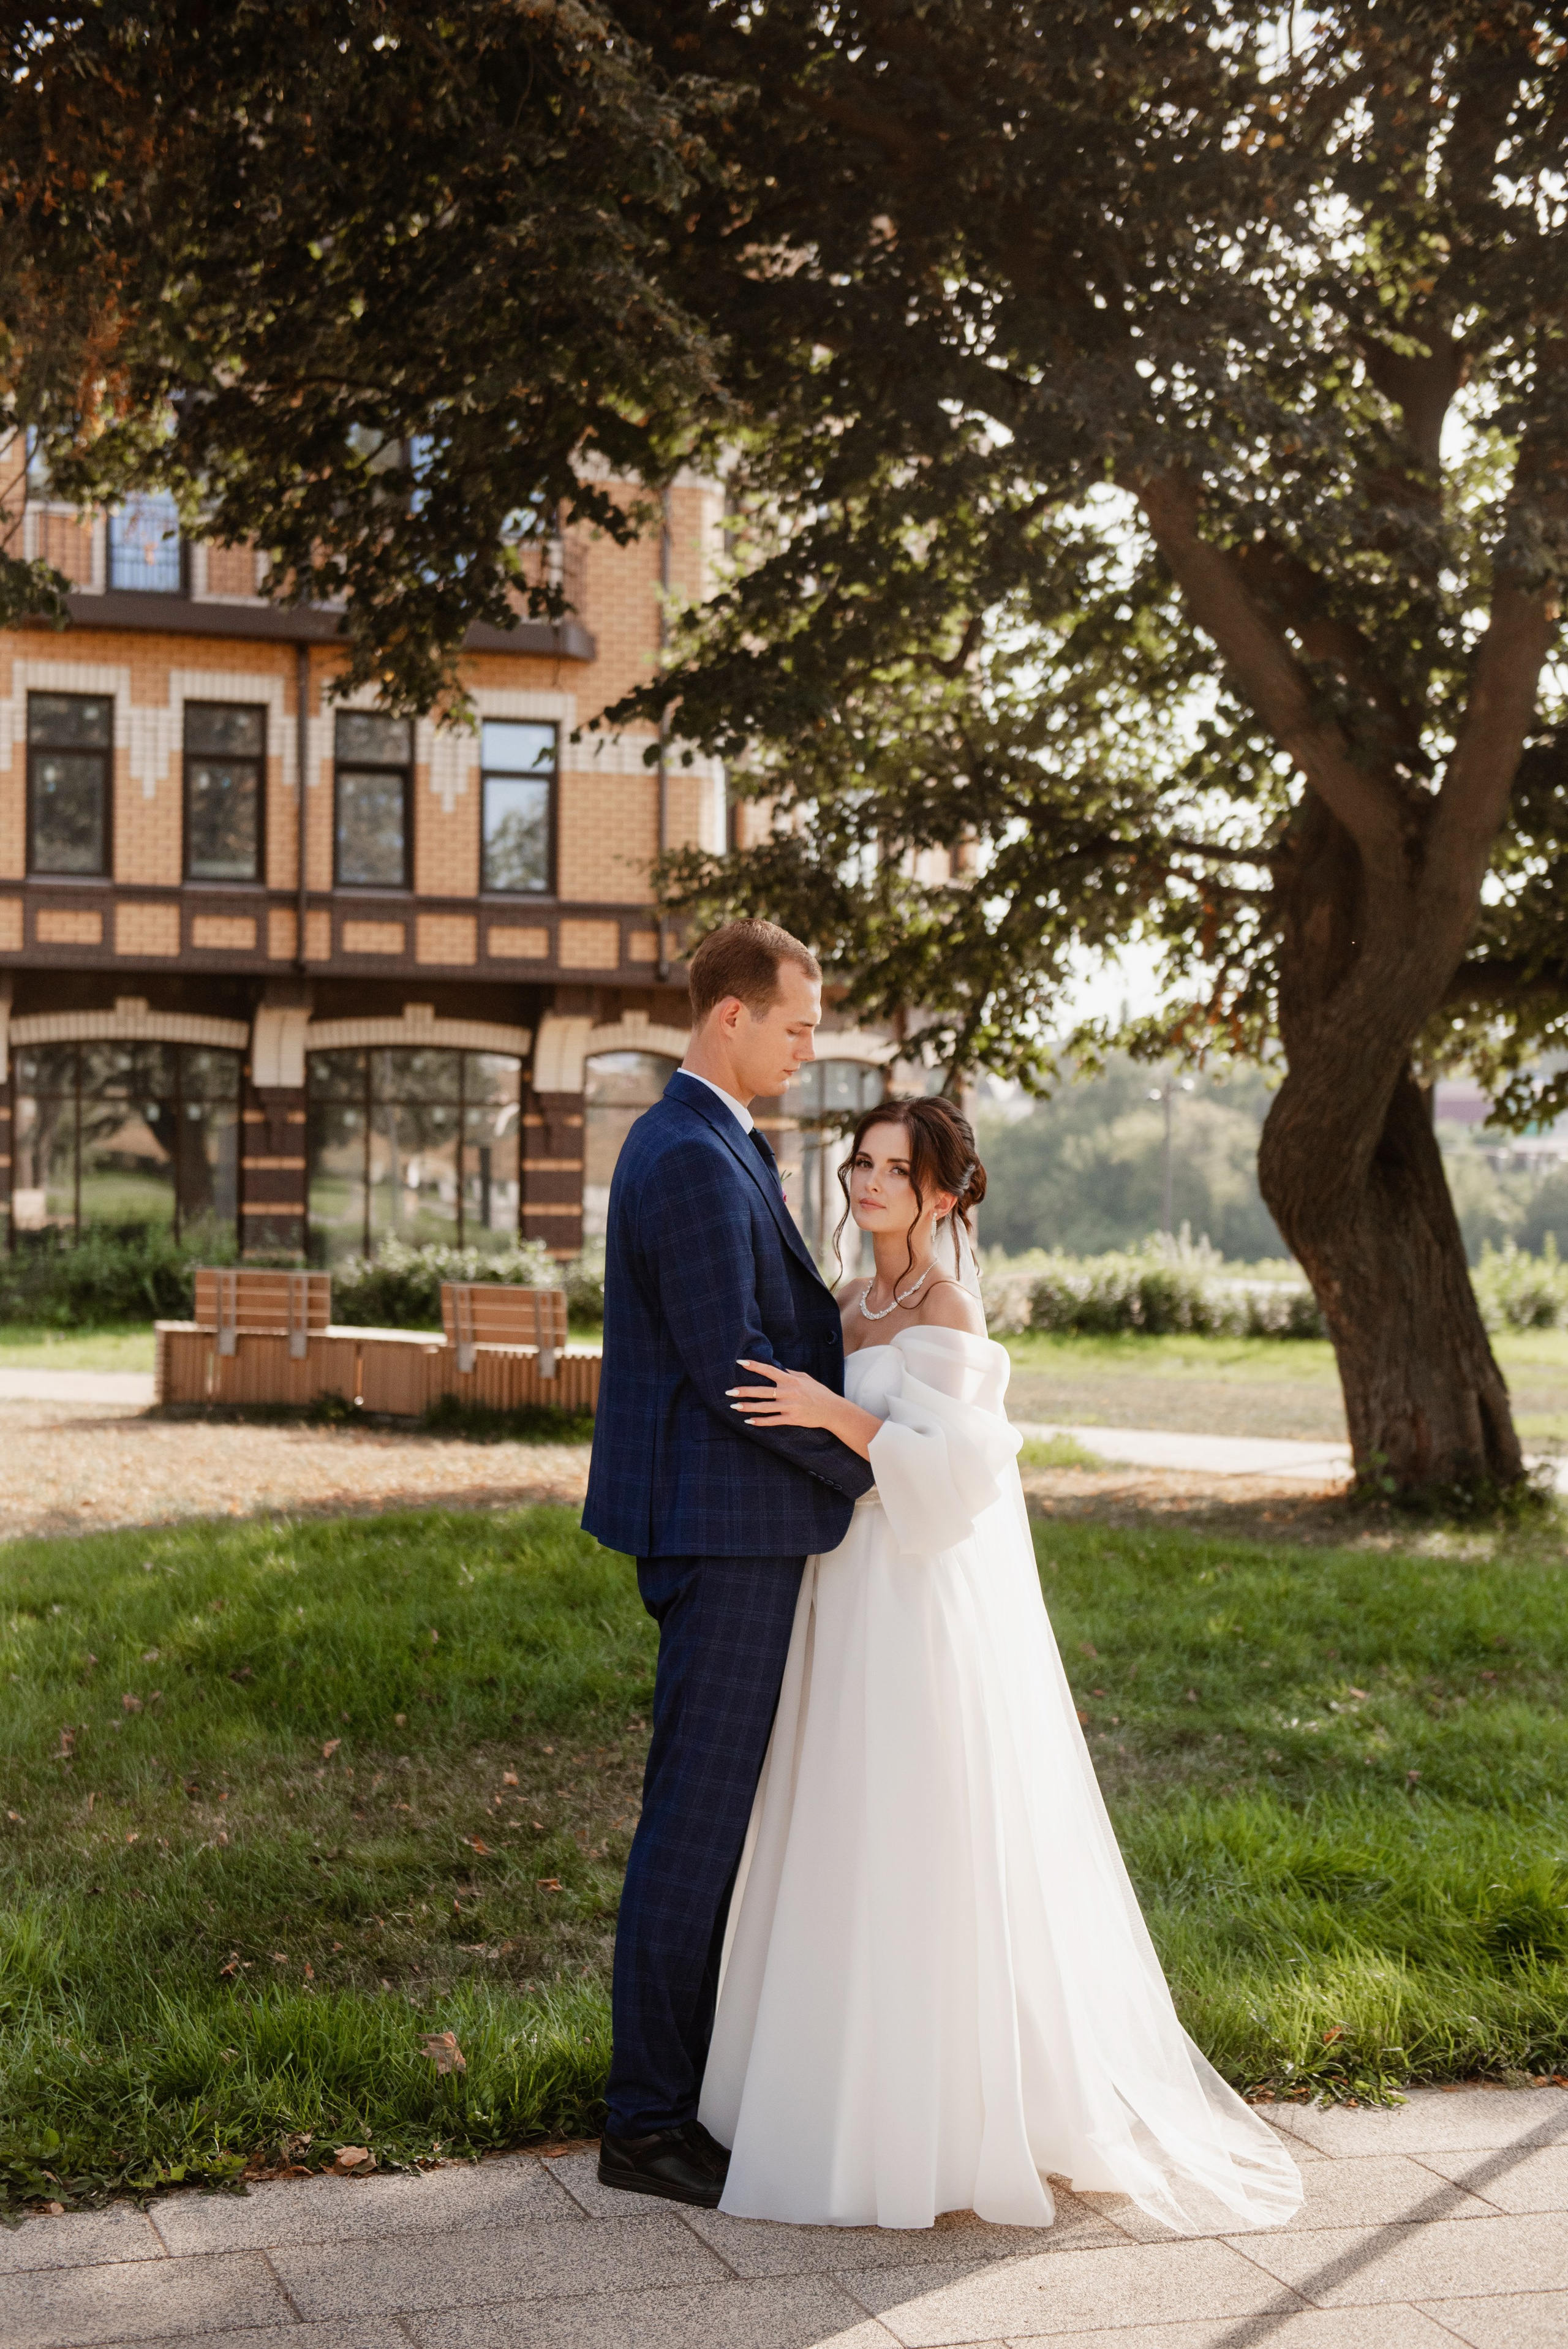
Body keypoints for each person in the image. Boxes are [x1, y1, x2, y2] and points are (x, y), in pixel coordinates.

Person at [704, 1095, 1304, 2234]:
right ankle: (818, 2094)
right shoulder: (845, 1300)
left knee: (916, 1822)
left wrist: (836, 1412)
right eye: (860, 1165)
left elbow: (962, 1473)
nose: (868, 1184)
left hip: (915, 1591)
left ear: (941, 1192)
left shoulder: (946, 1304)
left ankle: (939, 2118)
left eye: (893, 1169)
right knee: (838, 1816)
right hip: (840, 1588)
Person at [581, 918, 875, 2209]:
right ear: (730, 1020)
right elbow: (738, 1373)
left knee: (702, 1826)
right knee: (692, 1832)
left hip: (732, 1525)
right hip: (724, 1529)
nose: (809, 1048)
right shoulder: (691, 1154)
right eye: (799, 1026)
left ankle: (680, 2095)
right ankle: (645, 2122)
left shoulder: (711, 1139)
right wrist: (871, 1469)